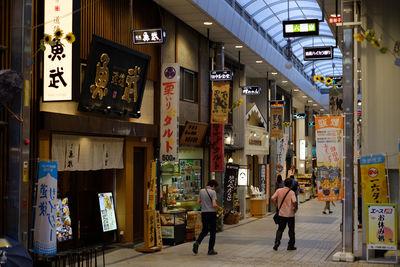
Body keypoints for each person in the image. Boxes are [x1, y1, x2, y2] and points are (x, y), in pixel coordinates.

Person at [192, 179, 222, 255]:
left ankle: (197, 242)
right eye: (215, 187)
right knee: (212, 232)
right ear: (213, 186)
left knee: (204, 230)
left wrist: (204, 206)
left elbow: (198, 202)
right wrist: (219, 208)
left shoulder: (202, 191)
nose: (214, 189)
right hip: (211, 213)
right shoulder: (213, 192)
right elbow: (214, 205)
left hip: (204, 213)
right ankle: (210, 249)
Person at [271, 178, 297, 251]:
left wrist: (277, 205)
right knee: (291, 230)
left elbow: (272, 198)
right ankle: (290, 245)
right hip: (290, 215)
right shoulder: (291, 192)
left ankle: (277, 242)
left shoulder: (279, 190)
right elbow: (294, 201)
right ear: (291, 185)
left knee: (280, 229)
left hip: (281, 214)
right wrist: (294, 208)